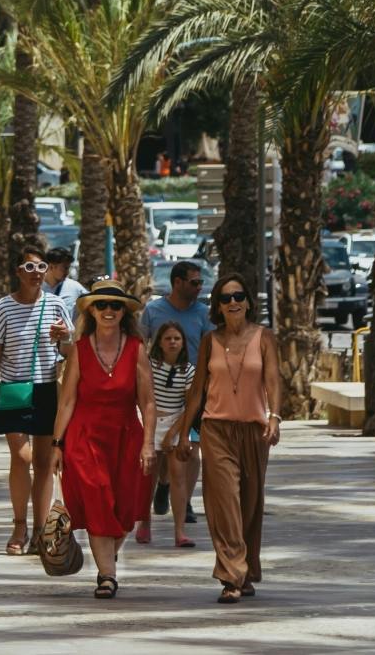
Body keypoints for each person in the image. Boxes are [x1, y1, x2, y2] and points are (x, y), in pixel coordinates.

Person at [169, 272, 281, 604]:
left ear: (248, 302)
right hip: (216, 429)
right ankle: (231, 575)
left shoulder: (264, 338)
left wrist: (274, 416)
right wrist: (183, 434)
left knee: (249, 502)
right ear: (217, 305)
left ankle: (245, 570)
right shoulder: (210, 342)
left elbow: (273, 380)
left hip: (253, 430)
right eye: (225, 298)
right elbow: (198, 389)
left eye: (238, 296)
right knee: (225, 502)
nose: (232, 303)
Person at [52, 279, 154, 598]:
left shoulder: (136, 350)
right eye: (101, 305)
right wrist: (57, 444)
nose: (108, 310)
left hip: (126, 436)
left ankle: (107, 558)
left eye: (115, 305)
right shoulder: (80, 350)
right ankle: (107, 575)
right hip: (85, 437)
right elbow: (67, 400)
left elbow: (148, 402)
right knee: (97, 499)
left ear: (123, 311)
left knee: (124, 511)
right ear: (91, 311)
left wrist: (149, 442)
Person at [0, 240, 73, 555]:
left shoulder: (56, 306)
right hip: (14, 388)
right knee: (21, 457)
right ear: (19, 271)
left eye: (41, 267)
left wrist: (65, 339)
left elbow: (70, 352)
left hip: (46, 388)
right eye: (29, 267)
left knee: (44, 463)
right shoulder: (4, 306)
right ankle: (19, 524)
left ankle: (41, 531)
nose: (36, 273)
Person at [142, 259, 213, 524]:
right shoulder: (153, 310)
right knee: (161, 450)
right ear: (177, 283)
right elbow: (141, 346)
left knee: (191, 448)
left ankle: (186, 502)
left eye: (200, 282)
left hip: (194, 389)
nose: (199, 287)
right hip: (160, 390)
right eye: (194, 282)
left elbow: (211, 350)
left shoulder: (204, 313)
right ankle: (164, 484)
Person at [141, 320, 197, 549]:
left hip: (176, 421)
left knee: (178, 477)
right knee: (149, 476)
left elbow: (189, 406)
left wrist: (174, 434)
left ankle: (179, 531)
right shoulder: (150, 366)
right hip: (152, 421)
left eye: (177, 338)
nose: (172, 342)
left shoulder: (188, 370)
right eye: (168, 338)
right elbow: (147, 399)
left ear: (183, 343)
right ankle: (144, 524)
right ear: (159, 343)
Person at [44, 244, 89, 312]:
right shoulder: (37, 288)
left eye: (68, 268)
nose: (67, 272)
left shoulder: (74, 287)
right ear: (51, 267)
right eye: (65, 268)